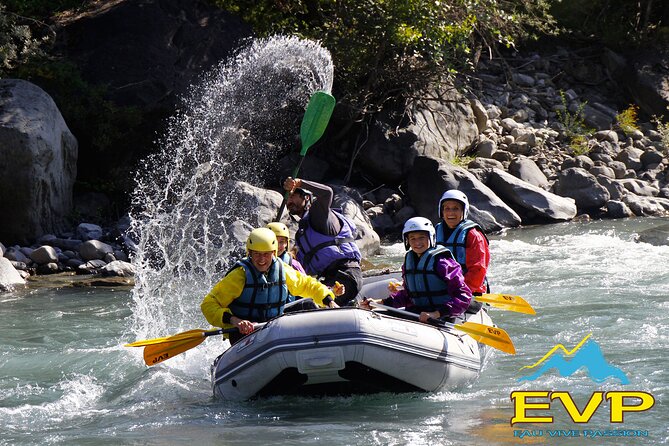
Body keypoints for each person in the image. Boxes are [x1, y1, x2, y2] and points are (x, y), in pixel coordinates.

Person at [201, 227, 338, 344]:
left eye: (266, 254)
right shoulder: (239, 276)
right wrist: (235, 320)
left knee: (308, 304)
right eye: (257, 254)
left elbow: (308, 285)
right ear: (249, 253)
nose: (261, 260)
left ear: (274, 253)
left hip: (272, 328)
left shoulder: (282, 270)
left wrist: (329, 300)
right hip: (243, 333)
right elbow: (209, 304)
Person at [361, 217, 472, 322]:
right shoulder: (410, 262)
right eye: (412, 238)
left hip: (443, 315)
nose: (417, 242)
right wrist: (380, 302)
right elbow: (408, 295)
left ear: (431, 237)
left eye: (421, 237)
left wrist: (436, 314)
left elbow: (463, 296)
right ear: (407, 241)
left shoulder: (443, 263)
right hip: (418, 313)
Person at [282, 177, 362, 307]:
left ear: (306, 198)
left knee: (307, 305)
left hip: (345, 275)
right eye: (288, 198)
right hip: (329, 278)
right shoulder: (302, 234)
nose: (289, 201)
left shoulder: (318, 214)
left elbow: (327, 193)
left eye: (293, 196)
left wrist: (300, 183)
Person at [435, 190, 491, 296]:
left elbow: (478, 271)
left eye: (456, 208)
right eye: (447, 208)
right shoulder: (436, 231)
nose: (451, 212)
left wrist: (459, 291)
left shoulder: (473, 235)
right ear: (441, 211)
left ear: (463, 211)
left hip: (468, 291)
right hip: (442, 288)